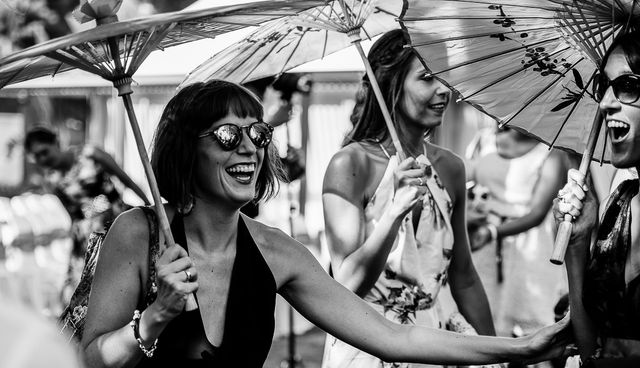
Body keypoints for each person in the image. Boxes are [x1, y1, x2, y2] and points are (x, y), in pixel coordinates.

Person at [80, 78, 569, 367]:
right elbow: (89, 359)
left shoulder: (277, 251)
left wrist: (523, 345)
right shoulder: (138, 234)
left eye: (258, 132)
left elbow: (394, 337)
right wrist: (156, 316)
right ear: (187, 149)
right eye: (228, 135)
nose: (249, 146)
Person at [321, 29, 498, 368]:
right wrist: (393, 212)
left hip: (433, 343)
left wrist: (500, 354)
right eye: (427, 78)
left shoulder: (450, 167)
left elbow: (464, 275)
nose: (443, 89)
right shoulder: (351, 164)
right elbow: (344, 287)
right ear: (392, 86)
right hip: (367, 345)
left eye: (444, 77)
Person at [556, 31, 640, 366]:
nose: (606, 102)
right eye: (602, 86)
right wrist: (577, 245)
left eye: (629, 85)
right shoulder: (620, 200)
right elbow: (590, 349)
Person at [466, 125, 569, 339]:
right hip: (481, 240)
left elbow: (538, 212)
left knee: (531, 326)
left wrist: (493, 232)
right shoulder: (484, 138)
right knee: (483, 318)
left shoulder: (551, 151)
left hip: (528, 244)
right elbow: (467, 182)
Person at [24, 125, 150, 299]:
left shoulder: (90, 154)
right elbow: (72, 214)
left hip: (117, 220)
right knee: (82, 291)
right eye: (36, 157)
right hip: (86, 236)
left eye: (44, 152)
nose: (42, 159)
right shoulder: (51, 180)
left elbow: (125, 179)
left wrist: (150, 206)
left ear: (55, 143)